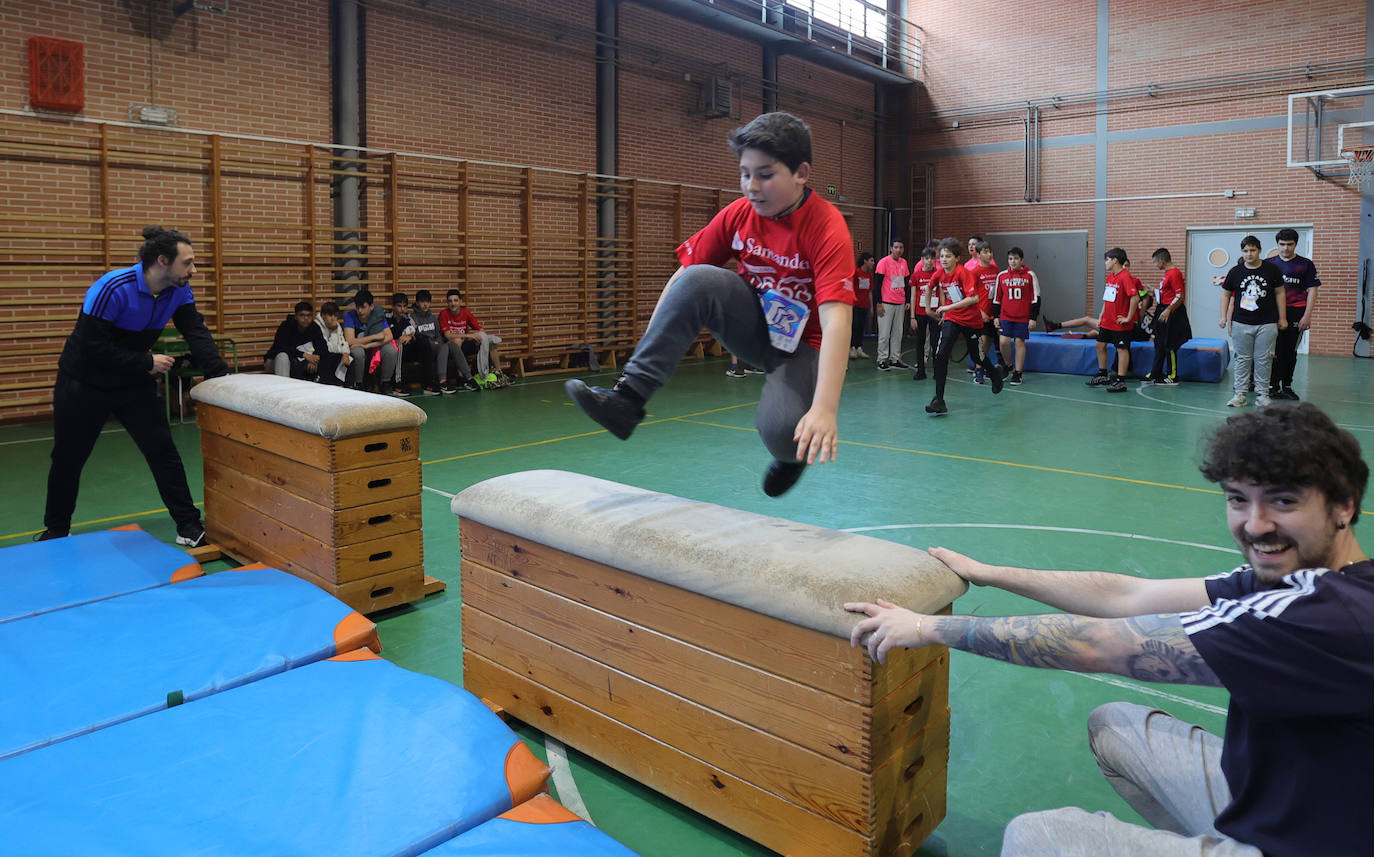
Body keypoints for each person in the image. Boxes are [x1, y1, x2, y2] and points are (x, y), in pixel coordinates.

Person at [846, 401, 1370, 857]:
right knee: (1115, 724)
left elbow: (1097, 644)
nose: (1255, 525)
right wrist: (988, 573)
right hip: (1284, 801)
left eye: (1283, 501)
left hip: (1312, 844)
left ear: (1344, 504)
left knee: (1039, 839)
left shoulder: (1332, 619)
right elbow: (1126, 596)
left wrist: (926, 626)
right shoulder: (1293, 578)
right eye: (1238, 499)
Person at [564, 111, 857, 498]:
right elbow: (684, 281)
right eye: (744, 173)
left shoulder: (826, 226)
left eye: (765, 174)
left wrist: (825, 409)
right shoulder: (738, 215)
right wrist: (644, 354)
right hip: (752, 327)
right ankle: (627, 401)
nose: (752, 187)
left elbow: (837, 319)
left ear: (801, 173)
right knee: (698, 276)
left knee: (784, 432)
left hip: (804, 347)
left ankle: (789, 460)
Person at [38, 226, 229, 545]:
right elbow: (92, 348)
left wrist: (221, 377)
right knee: (69, 457)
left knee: (163, 452)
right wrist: (146, 362)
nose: (194, 271)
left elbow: (195, 332)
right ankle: (57, 529)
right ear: (163, 261)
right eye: (188, 263)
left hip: (130, 382)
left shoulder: (179, 290)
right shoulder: (112, 288)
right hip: (84, 380)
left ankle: (188, 526)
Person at [926, 237, 1003, 414]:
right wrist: (929, 309)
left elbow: (974, 298)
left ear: (957, 258)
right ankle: (939, 399)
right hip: (952, 319)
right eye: (942, 256)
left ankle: (994, 374)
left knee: (978, 357)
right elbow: (930, 287)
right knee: (940, 356)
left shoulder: (963, 273)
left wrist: (947, 306)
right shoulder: (939, 273)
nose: (944, 259)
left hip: (971, 321)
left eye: (948, 256)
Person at [1220, 235, 1287, 408]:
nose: (1249, 254)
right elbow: (1226, 294)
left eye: (1252, 250)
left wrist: (1282, 317)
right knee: (1242, 358)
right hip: (1241, 322)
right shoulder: (1235, 271)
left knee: (1264, 358)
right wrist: (1224, 317)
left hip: (1267, 322)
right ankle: (1240, 394)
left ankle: (1263, 395)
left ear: (1259, 250)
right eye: (1245, 251)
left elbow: (1280, 293)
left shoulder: (1271, 270)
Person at [1268, 228, 1321, 401]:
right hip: (1273, 313)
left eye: (1289, 245)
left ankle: (1287, 386)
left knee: (1289, 351)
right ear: (1277, 244)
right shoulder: (1268, 264)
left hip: (1296, 312)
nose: (1285, 248)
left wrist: (1307, 315)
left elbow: (1313, 290)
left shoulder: (1305, 264)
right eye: (1282, 244)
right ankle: (1272, 386)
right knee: (1272, 351)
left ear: (1295, 244)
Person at [1085, 248, 1140, 394]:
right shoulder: (1110, 277)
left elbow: (1135, 298)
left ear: (1115, 260)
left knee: (1122, 349)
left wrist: (1128, 317)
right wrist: (1101, 315)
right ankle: (1103, 374)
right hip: (1107, 321)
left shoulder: (1125, 276)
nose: (1106, 263)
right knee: (1099, 344)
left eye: (1107, 259)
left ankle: (1120, 381)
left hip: (1120, 323)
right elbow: (1107, 298)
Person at [993, 247, 1040, 386]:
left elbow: (1036, 298)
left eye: (1016, 259)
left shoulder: (1030, 275)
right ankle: (1008, 366)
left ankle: (1018, 373)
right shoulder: (1001, 276)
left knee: (1020, 342)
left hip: (1023, 316)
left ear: (1021, 260)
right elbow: (997, 298)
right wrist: (996, 316)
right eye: (1010, 259)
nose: (1013, 262)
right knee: (1003, 342)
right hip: (1006, 315)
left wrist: (1033, 317)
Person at [1145, 248, 1192, 386]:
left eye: (1155, 262)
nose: (1155, 265)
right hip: (1163, 309)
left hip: (1172, 313)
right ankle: (1156, 372)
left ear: (1162, 260)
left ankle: (1172, 376)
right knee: (1158, 343)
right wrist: (1153, 291)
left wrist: (1169, 310)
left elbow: (1180, 296)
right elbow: (1167, 293)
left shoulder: (1175, 273)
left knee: (1170, 344)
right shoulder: (1167, 274)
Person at [342, 289, 396, 391]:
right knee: (357, 351)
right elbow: (350, 341)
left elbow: (389, 336)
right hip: (360, 348)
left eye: (363, 307)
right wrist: (374, 337)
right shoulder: (350, 316)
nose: (360, 311)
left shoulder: (377, 315)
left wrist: (367, 345)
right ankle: (358, 384)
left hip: (374, 348)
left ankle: (385, 383)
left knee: (390, 350)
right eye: (357, 307)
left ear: (371, 306)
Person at [437, 289, 488, 392]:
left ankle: (496, 372)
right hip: (449, 346)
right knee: (457, 340)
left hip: (464, 342)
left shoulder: (466, 313)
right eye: (450, 301)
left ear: (460, 301)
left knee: (488, 341)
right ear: (447, 303)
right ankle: (461, 378)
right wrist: (468, 335)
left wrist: (478, 337)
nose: (453, 303)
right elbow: (448, 336)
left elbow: (481, 329)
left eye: (455, 300)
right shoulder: (443, 314)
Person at [264, 301, 329, 381]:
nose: (306, 318)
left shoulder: (314, 327)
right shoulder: (286, 326)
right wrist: (303, 355)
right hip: (275, 362)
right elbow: (280, 347)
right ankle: (283, 388)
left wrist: (314, 360)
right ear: (296, 316)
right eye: (302, 315)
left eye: (309, 315)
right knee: (282, 356)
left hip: (298, 364)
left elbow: (323, 347)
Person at [969, 240, 1003, 383]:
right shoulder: (975, 272)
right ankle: (978, 370)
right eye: (985, 252)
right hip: (981, 313)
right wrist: (980, 312)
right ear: (978, 254)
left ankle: (990, 368)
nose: (989, 254)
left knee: (990, 341)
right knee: (982, 342)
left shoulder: (995, 270)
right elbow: (971, 294)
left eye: (990, 252)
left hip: (993, 313)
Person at [874, 239, 912, 371]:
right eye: (896, 247)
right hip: (886, 303)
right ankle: (882, 359)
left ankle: (895, 358)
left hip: (900, 303)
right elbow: (877, 284)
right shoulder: (883, 262)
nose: (899, 250)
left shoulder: (904, 263)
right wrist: (878, 303)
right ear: (891, 248)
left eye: (901, 247)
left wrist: (907, 300)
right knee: (884, 333)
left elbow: (907, 283)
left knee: (898, 332)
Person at [909, 246, 940, 381]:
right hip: (920, 313)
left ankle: (937, 370)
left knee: (935, 342)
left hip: (934, 313)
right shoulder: (916, 276)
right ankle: (921, 370)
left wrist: (943, 311)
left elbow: (942, 293)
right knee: (920, 341)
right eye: (927, 258)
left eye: (932, 258)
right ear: (922, 260)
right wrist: (912, 317)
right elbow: (913, 296)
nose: (929, 261)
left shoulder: (938, 274)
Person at [407, 289, 444, 395]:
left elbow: (438, 335)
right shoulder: (412, 318)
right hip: (421, 348)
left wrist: (438, 343)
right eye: (422, 302)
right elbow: (415, 336)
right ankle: (429, 384)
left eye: (427, 301)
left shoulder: (433, 318)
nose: (425, 304)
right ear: (417, 303)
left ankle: (442, 381)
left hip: (435, 346)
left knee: (445, 347)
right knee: (424, 343)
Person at [313, 301, 353, 386]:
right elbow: (329, 349)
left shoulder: (336, 325)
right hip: (322, 357)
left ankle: (349, 387)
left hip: (337, 355)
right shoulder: (316, 327)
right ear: (323, 315)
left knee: (350, 359)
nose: (333, 318)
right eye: (330, 315)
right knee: (335, 358)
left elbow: (343, 342)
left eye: (335, 316)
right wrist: (334, 332)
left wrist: (345, 353)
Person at [384, 292, 415, 397]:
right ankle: (397, 382)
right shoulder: (386, 317)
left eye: (405, 306)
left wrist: (409, 336)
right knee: (398, 345)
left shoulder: (408, 318)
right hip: (386, 348)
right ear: (393, 306)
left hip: (404, 349)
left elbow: (413, 330)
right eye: (399, 306)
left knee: (402, 345)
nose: (402, 309)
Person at [850, 252, 875, 360]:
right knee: (854, 326)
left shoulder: (869, 275)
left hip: (864, 306)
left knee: (861, 327)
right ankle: (852, 348)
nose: (873, 263)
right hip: (855, 305)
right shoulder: (856, 272)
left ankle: (859, 348)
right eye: (871, 260)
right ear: (865, 261)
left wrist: (871, 307)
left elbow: (869, 292)